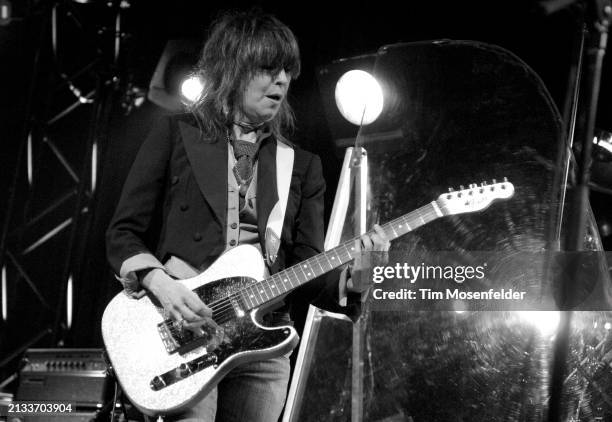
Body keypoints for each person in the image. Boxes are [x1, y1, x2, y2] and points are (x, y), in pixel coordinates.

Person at [106, 8, 389, 422]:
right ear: (234, 69)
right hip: (187, 324)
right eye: (269, 68)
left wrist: (358, 274)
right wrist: (164, 288)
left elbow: (306, 270)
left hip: (263, 341)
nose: (282, 80)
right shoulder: (176, 134)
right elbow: (123, 233)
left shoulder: (303, 165)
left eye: (287, 72)